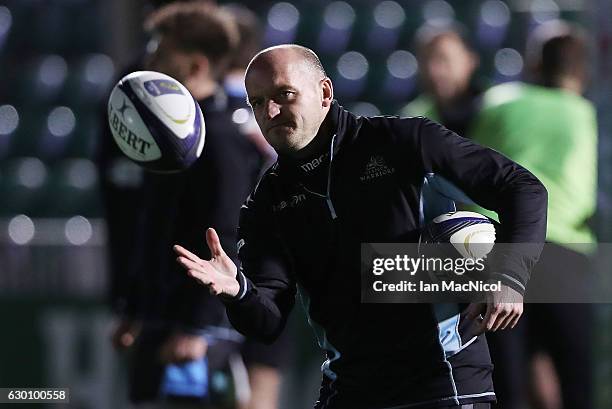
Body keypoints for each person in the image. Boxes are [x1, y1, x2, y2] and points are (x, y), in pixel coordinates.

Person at [174, 44, 548, 409]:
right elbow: (267, 321)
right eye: (256, 102)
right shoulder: (266, 204)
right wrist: (238, 291)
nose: (269, 111)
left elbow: (522, 189)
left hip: (444, 385)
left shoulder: (405, 143)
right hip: (351, 391)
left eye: (283, 94)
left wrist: (510, 276)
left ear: (324, 92)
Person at [108, 3, 280, 408]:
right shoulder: (165, 137)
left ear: (196, 66)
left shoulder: (221, 138)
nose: (149, 62)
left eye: (161, 54)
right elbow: (154, 228)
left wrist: (198, 327)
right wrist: (135, 308)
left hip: (197, 331)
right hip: (161, 315)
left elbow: (225, 234)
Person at [470, 21, 597, 409]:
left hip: (497, 251)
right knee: (576, 381)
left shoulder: (497, 102)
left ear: (533, 63)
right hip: (566, 253)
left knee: (508, 384)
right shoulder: (580, 111)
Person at [400, 25, 484, 137]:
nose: (433, 71)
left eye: (444, 59)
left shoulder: (502, 108)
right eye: (425, 60)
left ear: (470, 60)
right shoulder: (412, 118)